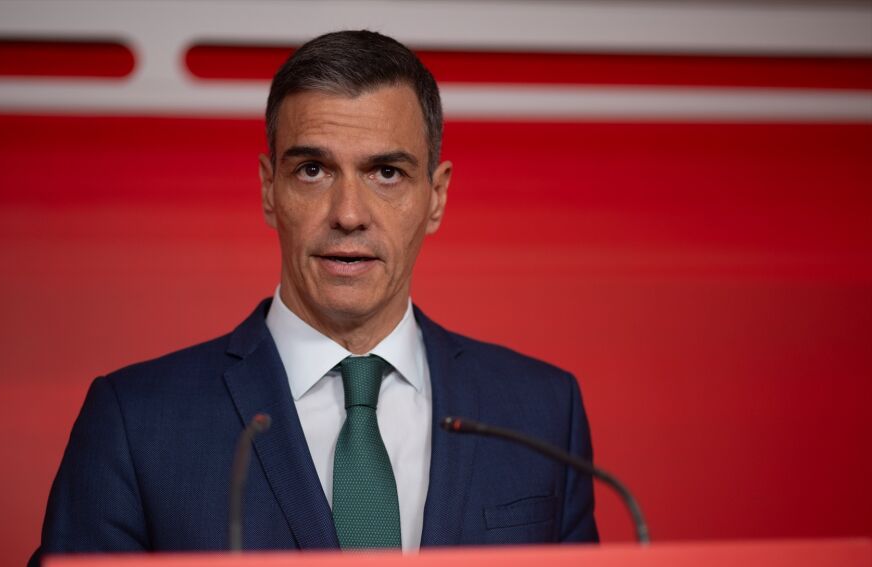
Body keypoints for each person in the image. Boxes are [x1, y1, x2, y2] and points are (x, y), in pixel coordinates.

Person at [29, 30, 597, 565]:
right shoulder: (135, 421)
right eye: (312, 170)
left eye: (387, 173)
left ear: (437, 197)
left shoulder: (542, 413)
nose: (348, 214)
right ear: (268, 189)